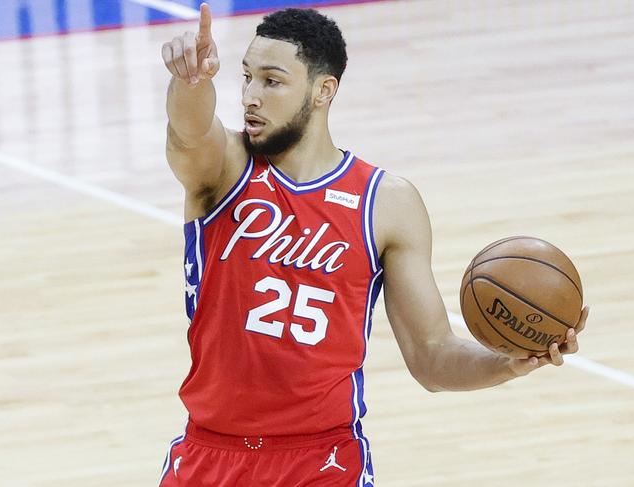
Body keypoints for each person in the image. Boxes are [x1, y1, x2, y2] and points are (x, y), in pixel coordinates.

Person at [158, 4, 588, 486]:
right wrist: (191, 83)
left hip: (322, 462)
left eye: (272, 82)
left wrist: (507, 363)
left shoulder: (386, 203)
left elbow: (431, 356)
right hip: (209, 454)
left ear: (324, 91)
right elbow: (189, 131)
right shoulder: (224, 168)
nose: (251, 97)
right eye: (246, 78)